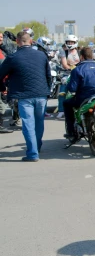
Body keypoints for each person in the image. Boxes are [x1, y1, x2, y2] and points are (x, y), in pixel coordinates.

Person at [0, 31, 51, 161]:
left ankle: (33, 154)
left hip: (24, 96)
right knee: (39, 123)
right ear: (31, 41)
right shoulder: (42, 55)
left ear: (17, 42)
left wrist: (3, 88)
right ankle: (37, 147)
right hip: (41, 95)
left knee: (28, 124)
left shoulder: (12, 57)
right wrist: (47, 91)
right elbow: (48, 75)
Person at [63, 47, 95, 141]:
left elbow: (72, 88)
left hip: (82, 99)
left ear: (81, 57)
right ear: (92, 56)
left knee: (66, 104)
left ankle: (71, 132)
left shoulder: (77, 70)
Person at [56, 35, 80, 119]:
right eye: (68, 42)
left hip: (79, 74)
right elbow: (65, 64)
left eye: (72, 42)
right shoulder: (64, 52)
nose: (70, 44)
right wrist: (72, 68)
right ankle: (61, 110)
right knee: (62, 92)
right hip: (67, 74)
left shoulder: (79, 52)